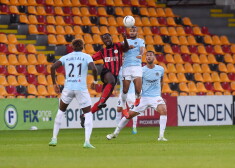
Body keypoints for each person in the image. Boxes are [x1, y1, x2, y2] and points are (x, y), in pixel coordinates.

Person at [106, 51, 168, 141]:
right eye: (147, 56)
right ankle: (115, 133)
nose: (149, 57)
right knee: (129, 115)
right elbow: (137, 84)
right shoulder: (141, 70)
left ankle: (161, 136)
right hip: (144, 97)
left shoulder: (160, 69)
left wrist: (160, 94)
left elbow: (161, 81)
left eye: (151, 55)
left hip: (155, 97)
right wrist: (138, 97)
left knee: (164, 110)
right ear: (145, 58)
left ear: (154, 57)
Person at [48, 39, 98, 148]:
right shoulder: (86, 57)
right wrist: (95, 81)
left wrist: (54, 83)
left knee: (61, 111)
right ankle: (87, 141)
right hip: (81, 88)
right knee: (88, 113)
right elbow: (94, 68)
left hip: (68, 88)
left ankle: (54, 138)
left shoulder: (66, 57)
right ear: (83, 46)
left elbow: (52, 67)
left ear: (72, 46)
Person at [89, 33, 130, 113]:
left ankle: (86, 115)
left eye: (108, 38)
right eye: (105, 39)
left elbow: (126, 48)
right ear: (103, 41)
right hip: (106, 72)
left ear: (111, 38)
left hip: (114, 76)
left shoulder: (118, 46)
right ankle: (101, 102)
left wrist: (125, 39)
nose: (107, 40)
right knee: (111, 81)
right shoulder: (102, 51)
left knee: (103, 100)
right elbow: (91, 58)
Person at [121, 26, 145, 112]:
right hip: (126, 67)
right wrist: (125, 40)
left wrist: (141, 55)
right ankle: (123, 105)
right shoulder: (124, 41)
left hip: (137, 67)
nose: (132, 32)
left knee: (138, 90)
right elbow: (124, 50)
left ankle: (137, 98)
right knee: (125, 89)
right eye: (130, 31)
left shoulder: (140, 41)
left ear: (137, 32)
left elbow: (142, 49)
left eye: (134, 31)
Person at [116, 66, 138, 134]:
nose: (123, 59)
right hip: (122, 92)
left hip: (131, 93)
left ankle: (134, 128)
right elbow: (116, 80)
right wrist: (116, 90)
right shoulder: (119, 69)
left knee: (133, 110)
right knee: (119, 109)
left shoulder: (131, 68)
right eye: (122, 58)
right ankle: (117, 128)